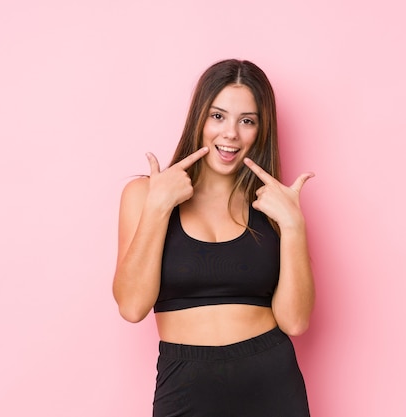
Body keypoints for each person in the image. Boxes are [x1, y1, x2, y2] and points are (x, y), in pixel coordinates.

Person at [112, 59, 315, 416]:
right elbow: (131, 306)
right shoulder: (145, 194)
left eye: (247, 121)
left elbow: (295, 322)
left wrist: (294, 226)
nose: (231, 133)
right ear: (199, 118)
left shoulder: (273, 204)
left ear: (261, 130)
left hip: (271, 381)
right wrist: (159, 207)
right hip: (185, 382)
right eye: (218, 116)